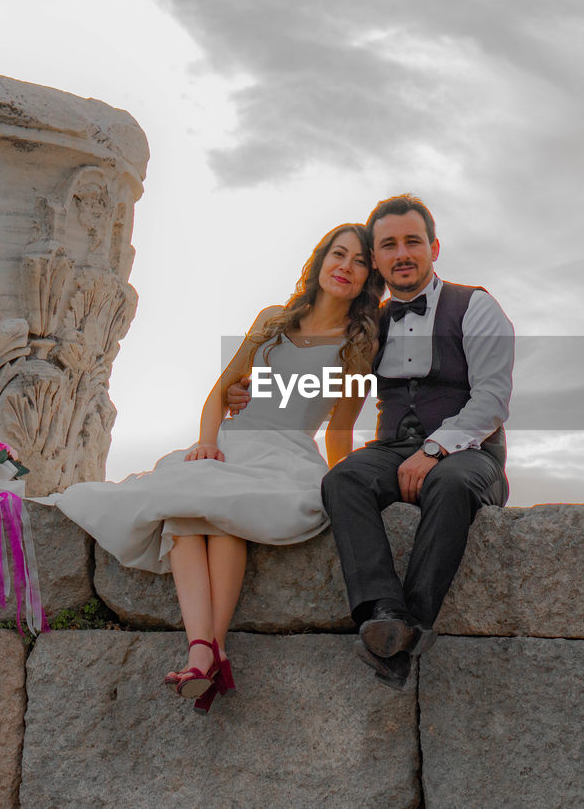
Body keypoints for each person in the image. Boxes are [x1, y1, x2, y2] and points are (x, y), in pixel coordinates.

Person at [46, 223, 382, 713]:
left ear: (368, 277)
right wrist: (206, 443)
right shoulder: (274, 319)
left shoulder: (358, 344)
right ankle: (206, 650)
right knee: (188, 505)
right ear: (320, 260)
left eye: (358, 261)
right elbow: (220, 393)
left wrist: (348, 485)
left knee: (224, 513)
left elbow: (338, 431)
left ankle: (205, 651)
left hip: (287, 456)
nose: (345, 267)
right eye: (338, 254)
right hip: (231, 443)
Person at [231, 194, 513, 690]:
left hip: (469, 452)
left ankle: (414, 625)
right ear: (378, 260)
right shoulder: (369, 328)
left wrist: (435, 449)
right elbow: (334, 396)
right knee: (343, 480)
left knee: (448, 488)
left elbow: (491, 399)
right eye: (389, 245)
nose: (402, 253)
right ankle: (382, 611)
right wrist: (252, 390)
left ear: (434, 247)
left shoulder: (476, 306)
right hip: (391, 449)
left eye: (412, 241)